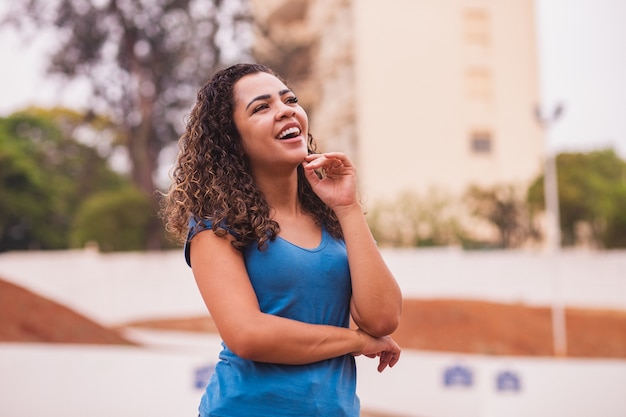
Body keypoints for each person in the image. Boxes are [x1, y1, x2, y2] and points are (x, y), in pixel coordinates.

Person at [161, 63, 402, 417]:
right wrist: (357, 342)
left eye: (289, 100)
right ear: (232, 138)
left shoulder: (330, 218)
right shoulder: (217, 224)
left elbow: (382, 319)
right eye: (261, 107)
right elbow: (248, 334)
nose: (285, 110)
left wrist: (347, 207)